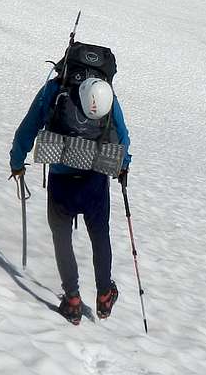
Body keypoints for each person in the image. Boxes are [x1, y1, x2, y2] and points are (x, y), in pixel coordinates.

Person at [10, 70, 131, 324]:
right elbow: (122, 134)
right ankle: (104, 296)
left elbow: (29, 127)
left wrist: (17, 161)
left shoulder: (55, 90)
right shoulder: (106, 93)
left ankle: (73, 299)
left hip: (61, 179)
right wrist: (123, 165)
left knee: (61, 236)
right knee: (99, 234)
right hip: (94, 180)